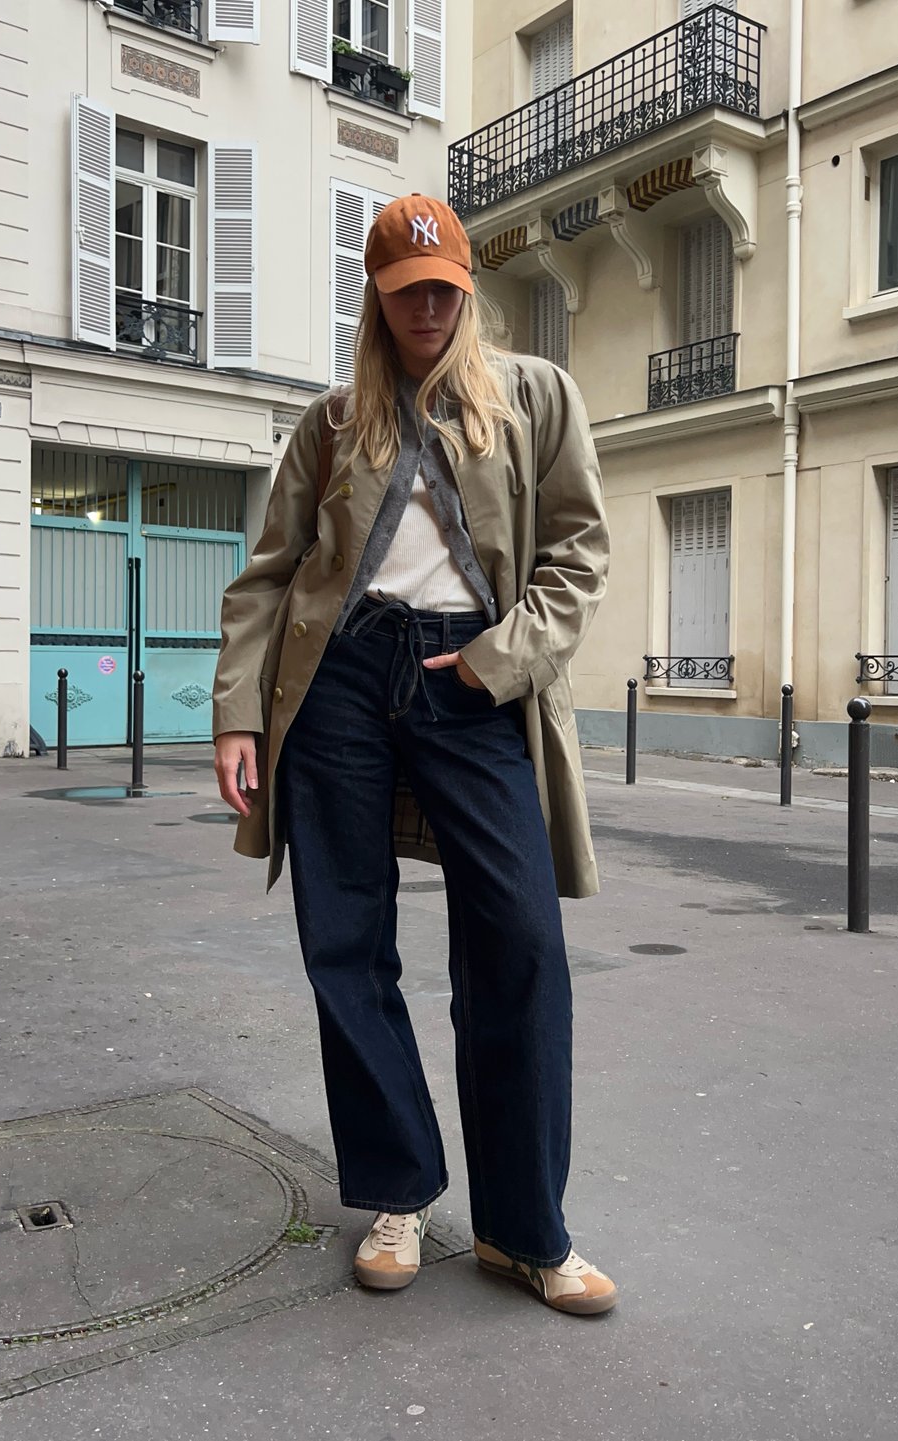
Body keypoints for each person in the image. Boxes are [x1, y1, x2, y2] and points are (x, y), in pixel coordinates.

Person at [212, 194, 615, 1316]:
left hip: (475, 680)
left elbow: (579, 554)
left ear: (467, 290)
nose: (427, 308)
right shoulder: (333, 420)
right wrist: (238, 712)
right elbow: (270, 573)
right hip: (338, 681)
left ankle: (523, 1231)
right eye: (406, 293)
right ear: (378, 300)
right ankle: (396, 1193)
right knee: (344, 941)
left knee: (520, 943)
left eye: (443, 290)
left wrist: (498, 662)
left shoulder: (535, 396)